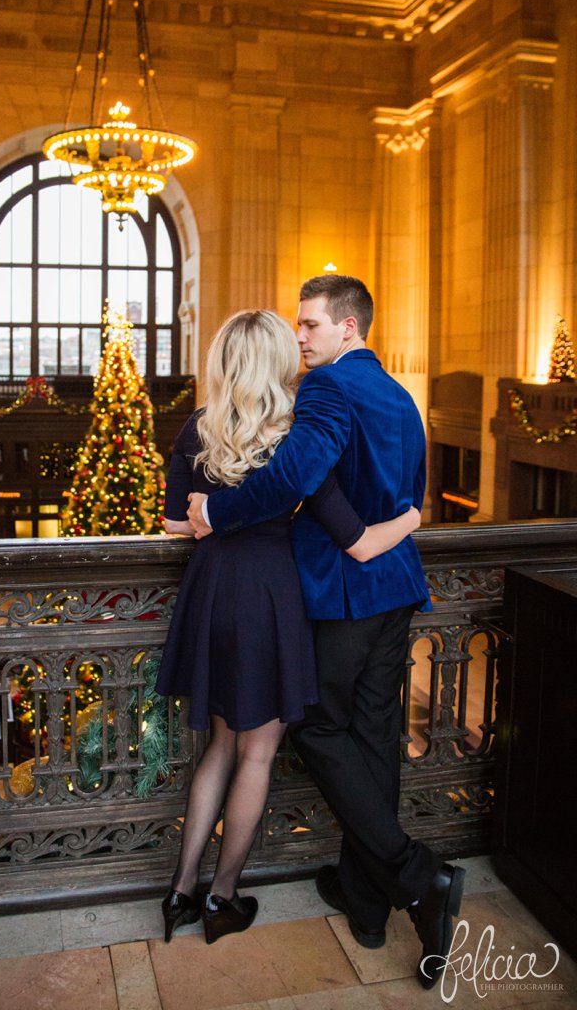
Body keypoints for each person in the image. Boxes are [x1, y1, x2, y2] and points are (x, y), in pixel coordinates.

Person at [187, 276, 464, 990]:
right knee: (373, 737)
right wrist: (398, 530)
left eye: (311, 325)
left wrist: (217, 514)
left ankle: (416, 875)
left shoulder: (326, 389)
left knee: (311, 728)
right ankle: (366, 902)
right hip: (395, 590)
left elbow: (298, 475)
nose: (300, 338)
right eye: (298, 327)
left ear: (348, 327)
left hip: (343, 593)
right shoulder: (401, 395)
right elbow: (414, 491)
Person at [157, 309, 421, 947]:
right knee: (259, 753)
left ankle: (179, 892)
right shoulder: (292, 433)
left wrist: (207, 515)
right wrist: (412, 519)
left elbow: (172, 523)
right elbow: (352, 536)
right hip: (272, 597)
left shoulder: (198, 427)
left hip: (211, 591)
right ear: (277, 359)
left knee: (219, 748)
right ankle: (223, 899)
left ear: (223, 360)